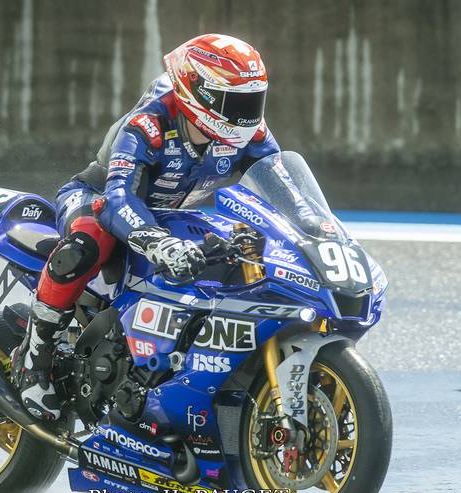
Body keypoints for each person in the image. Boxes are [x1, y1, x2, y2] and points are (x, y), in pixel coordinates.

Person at [16, 34, 280, 420]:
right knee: (87, 243)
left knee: (235, 253)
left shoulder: (250, 133)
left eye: (253, 102)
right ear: (199, 92)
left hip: (167, 214)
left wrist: (315, 228)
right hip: (98, 198)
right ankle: (35, 357)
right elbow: (118, 200)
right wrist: (157, 243)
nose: (247, 115)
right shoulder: (149, 124)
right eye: (235, 103)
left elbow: (280, 186)